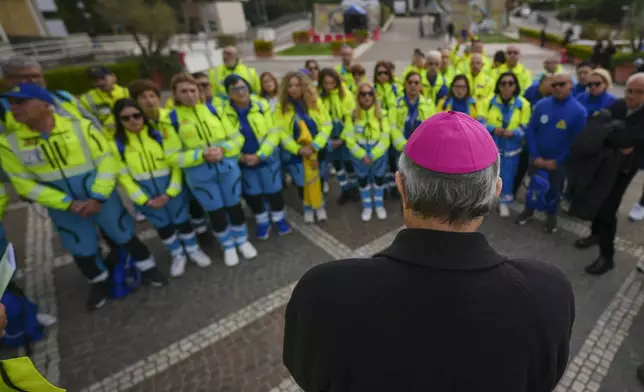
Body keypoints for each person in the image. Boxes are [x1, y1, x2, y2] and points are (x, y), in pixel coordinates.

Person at [283, 111, 575, 392]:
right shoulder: (548, 293)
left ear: (402, 187)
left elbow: (307, 373)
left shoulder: (323, 292)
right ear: (495, 190)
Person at [0, 84, 167, 310]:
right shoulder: (8, 143)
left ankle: (148, 268)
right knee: (80, 246)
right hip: (64, 206)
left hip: (100, 196)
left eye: (22, 102)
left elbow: (107, 160)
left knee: (123, 233)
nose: (14, 108)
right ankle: (99, 281)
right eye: (12, 103)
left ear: (46, 105)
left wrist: (97, 196)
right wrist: (67, 203)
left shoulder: (81, 127)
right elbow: (23, 184)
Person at [163, 73, 256, 267]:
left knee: (234, 206)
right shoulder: (171, 120)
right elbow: (172, 156)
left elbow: (237, 139)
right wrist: (200, 155)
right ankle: (228, 245)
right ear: (175, 94)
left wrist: (223, 150)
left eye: (193, 90)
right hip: (200, 175)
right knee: (216, 212)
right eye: (184, 91)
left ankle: (242, 239)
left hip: (227, 169)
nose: (190, 95)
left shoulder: (214, 110)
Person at [111, 99, 212, 277]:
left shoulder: (159, 135)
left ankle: (193, 249)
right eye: (126, 118)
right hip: (146, 195)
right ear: (119, 121)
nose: (133, 121)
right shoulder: (118, 146)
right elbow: (123, 177)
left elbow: (175, 163)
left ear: (143, 116)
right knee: (163, 227)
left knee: (182, 221)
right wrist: (143, 200)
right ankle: (177, 254)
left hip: (171, 189)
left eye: (136, 115)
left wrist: (170, 191)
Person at [128, 79, 213, 245]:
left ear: (158, 98)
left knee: (193, 201)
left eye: (152, 96)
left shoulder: (171, 116)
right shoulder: (137, 124)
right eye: (143, 97)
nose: (149, 101)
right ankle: (181, 239)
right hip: (162, 173)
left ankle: (201, 230)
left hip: (183, 165)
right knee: (173, 208)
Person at [574, 73, 644, 275]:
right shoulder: (620, 105)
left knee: (607, 209)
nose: (631, 95)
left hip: (624, 169)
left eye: (638, 92)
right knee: (597, 200)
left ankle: (607, 257)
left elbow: (626, 139)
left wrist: (610, 134)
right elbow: (597, 126)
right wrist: (614, 136)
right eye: (629, 90)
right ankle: (595, 234)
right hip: (604, 164)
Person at [516, 72, 587, 233]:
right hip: (537, 158)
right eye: (554, 85)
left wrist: (558, 161)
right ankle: (528, 211)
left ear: (571, 85)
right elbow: (532, 131)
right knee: (534, 185)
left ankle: (551, 215)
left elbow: (575, 142)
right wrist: (535, 155)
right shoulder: (542, 104)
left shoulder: (578, 111)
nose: (557, 88)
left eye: (562, 84)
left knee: (555, 189)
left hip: (559, 162)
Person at [223, 74, 292, 239]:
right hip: (243, 162)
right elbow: (223, 140)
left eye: (243, 87)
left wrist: (260, 155)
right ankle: (262, 222)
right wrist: (240, 157)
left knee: (274, 191)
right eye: (235, 89)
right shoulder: (223, 114)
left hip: (267, 159)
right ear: (228, 93)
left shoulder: (262, 106)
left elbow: (274, 134)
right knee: (253, 195)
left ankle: (279, 219)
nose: (240, 92)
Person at [275, 71, 332, 223]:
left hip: (317, 152)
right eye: (290, 86)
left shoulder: (316, 103)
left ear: (305, 86)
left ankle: (319, 206)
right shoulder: (282, 108)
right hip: (296, 155)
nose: (294, 89)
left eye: (298, 85)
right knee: (301, 183)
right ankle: (307, 207)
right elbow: (281, 133)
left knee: (317, 180)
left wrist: (315, 145)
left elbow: (327, 125)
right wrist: (298, 149)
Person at [0, 56, 100, 133]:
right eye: (25, 77)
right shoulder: (3, 108)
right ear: (8, 80)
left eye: (36, 76)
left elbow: (93, 123)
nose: (33, 81)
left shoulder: (63, 96)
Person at [480, 72, 531, 218]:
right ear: (498, 85)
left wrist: (514, 132)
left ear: (515, 86)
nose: (507, 86)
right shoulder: (487, 101)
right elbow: (480, 121)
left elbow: (526, 126)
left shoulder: (524, 104)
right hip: (491, 148)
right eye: (503, 83)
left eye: (510, 83)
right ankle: (487, 201)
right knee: (489, 176)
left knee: (508, 177)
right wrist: (493, 129)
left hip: (512, 150)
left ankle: (503, 202)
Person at [342, 83, 391, 221]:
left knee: (379, 179)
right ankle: (367, 207)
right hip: (359, 155)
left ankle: (379, 205)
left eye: (370, 93)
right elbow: (349, 138)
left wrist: (373, 154)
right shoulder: (351, 116)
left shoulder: (382, 114)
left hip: (378, 154)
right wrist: (363, 154)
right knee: (362, 181)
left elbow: (386, 136)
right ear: (358, 97)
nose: (367, 97)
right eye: (363, 94)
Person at [389, 71, 436, 197]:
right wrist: (405, 146)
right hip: (401, 149)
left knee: (420, 178)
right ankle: (404, 202)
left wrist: (420, 146)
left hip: (422, 149)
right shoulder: (395, 103)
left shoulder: (429, 103)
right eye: (410, 82)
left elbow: (432, 127)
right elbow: (392, 127)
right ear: (405, 85)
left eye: (416, 82)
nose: (413, 85)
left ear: (421, 86)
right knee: (403, 177)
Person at [319, 68, 359, 205]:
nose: (329, 86)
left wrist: (342, 139)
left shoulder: (346, 96)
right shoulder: (320, 98)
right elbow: (321, 120)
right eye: (326, 83)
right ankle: (344, 189)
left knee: (349, 164)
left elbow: (350, 120)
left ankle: (354, 188)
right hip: (329, 137)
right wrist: (328, 139)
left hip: (345, 136)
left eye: (332, 83)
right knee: (336, 165)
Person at [80, 66, 129, 137]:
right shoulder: (86, 99)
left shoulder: (127, 92)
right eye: (95, 80)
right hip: (106, 139)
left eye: (103, 78)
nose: (100, 82)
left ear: (113, 77)